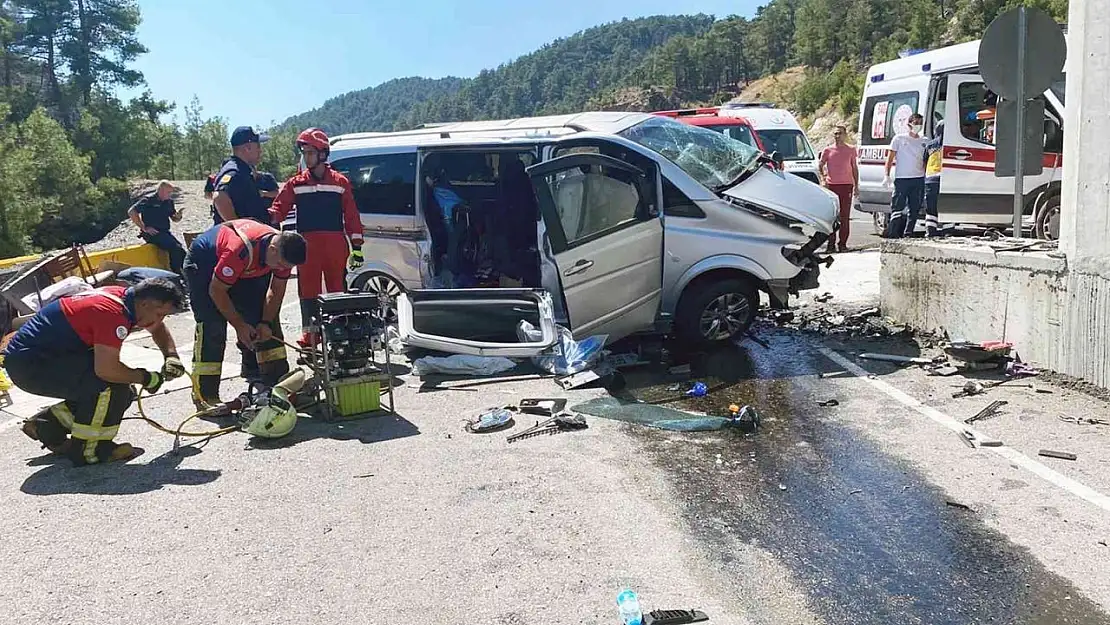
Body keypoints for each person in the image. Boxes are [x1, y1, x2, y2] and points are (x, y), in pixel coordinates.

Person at [7, 278, 187, 465]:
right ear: (145, 303)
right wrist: (147, 378)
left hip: (44, 358)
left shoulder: (126, 299)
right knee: (108, 389)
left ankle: (48, 426)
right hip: (32, 366)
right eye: (159, 313)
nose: (160, 319)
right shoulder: (111, 313)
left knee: (123, 392)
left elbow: (156, 327)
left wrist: (171, 355)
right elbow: (107, 370)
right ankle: (89, 451)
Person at [183, 218, 307, 406]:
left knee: (266, 321)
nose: (282, 270)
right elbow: (216, 290)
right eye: (281, 265)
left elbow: (276, 289)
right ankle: (205, 395)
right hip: (206, 265)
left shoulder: (279, 254)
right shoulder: (239, 250)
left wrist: (265, 322)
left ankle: (277, 383)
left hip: (246, 267)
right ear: (273, 251)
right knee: (212, 327)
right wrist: (239, 325)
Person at [269, 128, 364, 346]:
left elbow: (351, 216)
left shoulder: (340, 182)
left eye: (310, 152)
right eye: (304, 152)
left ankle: (338, 334)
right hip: (307, 247)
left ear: (322, 154)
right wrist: (260, 216)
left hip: (335, 246)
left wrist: (357, 247)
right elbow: (278, 209)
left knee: (337, 291)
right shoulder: (296, 183)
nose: (306, 157)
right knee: (308, 291)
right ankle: (311, 336)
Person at [211, 126, 272, 225]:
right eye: (258, 147)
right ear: (247, 148)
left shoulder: (243, 170)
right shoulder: (235, 171)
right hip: (240, 237)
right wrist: (238, 228)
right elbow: (219, 197)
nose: (260, 151)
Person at [882, 113, 929, 238]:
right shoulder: (899, 139)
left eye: (920, 123)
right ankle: (893, 233)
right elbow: (890, 158)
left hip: (918, 178)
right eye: (915, 123)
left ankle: (908, 233)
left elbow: (925, 160)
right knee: (898, 207)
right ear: (909, 124)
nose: (918, 125)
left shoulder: (924, 141)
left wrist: (926, 176)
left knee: (914, 208)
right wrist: (886, 175)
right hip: (902, 179)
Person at [128, 180, 187, 275]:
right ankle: (176, 274)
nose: (170, 194)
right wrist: (144, 227)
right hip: (152, 233)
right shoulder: (148, 200)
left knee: (182, 252)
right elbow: (131, 212)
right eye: (168, 192)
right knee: (175, 248)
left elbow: (174, 218)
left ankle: (185, 274)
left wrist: (178, 216)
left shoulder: (169, 202)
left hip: (165, 232)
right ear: (161, 191)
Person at [818, 125, 859, 253]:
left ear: (845, 134)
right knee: (831, 216)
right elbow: (820, 164)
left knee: (844, 216)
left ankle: (842, 244)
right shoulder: (828, 150)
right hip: (832, 186)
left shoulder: (851, 150)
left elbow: (854, 167)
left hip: (846, 185)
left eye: (840, 133)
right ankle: (830, 244)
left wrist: (856, 186)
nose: (837, 136)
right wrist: (824, 178)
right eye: (835, 133)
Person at [923, 121, 945, 237]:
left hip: (931, 179)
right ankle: (948, 231)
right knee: (946, 205)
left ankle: (930, 231)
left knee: (931, 207)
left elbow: (924, 162)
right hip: (945, 179)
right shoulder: (949, 144)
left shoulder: (930, 145)